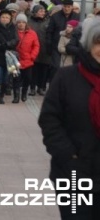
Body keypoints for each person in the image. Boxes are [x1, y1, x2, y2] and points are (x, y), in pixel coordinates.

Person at [38, 18, 100, 219]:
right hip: (73, 172)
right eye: (98, 42)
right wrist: (68, 154)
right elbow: (49, 119)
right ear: (89, 44)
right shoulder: (67, 77)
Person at [0, 10, 19, 105]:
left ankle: (1, 94)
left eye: (7, 17)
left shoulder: (13, 28)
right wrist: (0, 46)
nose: (5, 19)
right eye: (3, 17)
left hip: (9, 56)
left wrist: (8, 44)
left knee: (6, 78)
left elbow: (16, 39)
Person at [15, 13, 40, 103]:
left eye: (23, 22)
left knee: (28, 78)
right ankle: (16, 96)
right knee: (16, 79)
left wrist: (32, 56)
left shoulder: (32, 33)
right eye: (19, 22)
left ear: (26, 23)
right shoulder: (13, 32)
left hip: (28, 60)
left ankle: (24, 93)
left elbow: (36, 46)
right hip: (16, 60)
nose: (21, 24)